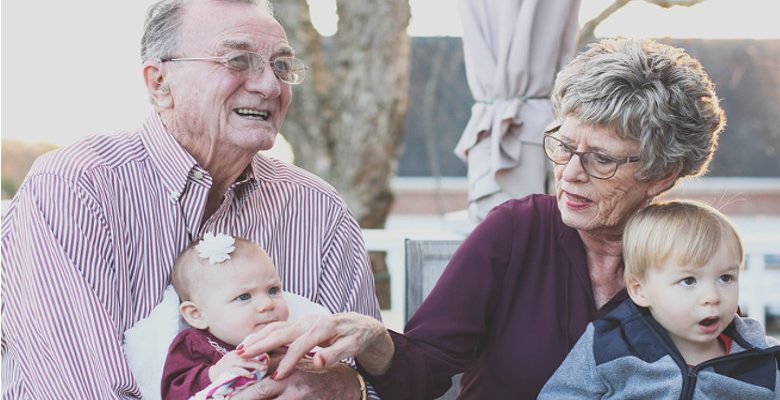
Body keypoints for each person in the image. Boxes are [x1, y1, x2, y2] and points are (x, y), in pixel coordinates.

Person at [237, 37, 729, 399]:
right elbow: (422, 373)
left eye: (601, 159)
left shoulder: (694, 255)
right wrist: (375, 340)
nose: (570, 173)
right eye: (563, 144)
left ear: (663, 174)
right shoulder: (516, 231)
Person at [1, 0, 380, 398]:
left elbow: (373, 378)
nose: (270, 86)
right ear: (159, 83)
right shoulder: (76, 188)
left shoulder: (317, 209)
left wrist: (342, 385)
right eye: (238, 60)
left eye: (282, 66)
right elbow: (79, 391)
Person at [539, 200, 780, 399]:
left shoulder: (763, 359)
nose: (712, 297)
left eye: (725, 278)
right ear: (639, 290)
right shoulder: (609, 346)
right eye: (689, 281)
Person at [162, 234, 288, 399]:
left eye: (273, 290)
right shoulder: (196, 344)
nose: (268, 304)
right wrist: (213, 374)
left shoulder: (288, 339)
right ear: (197, 315)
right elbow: (173, 392)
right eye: (244, 297)